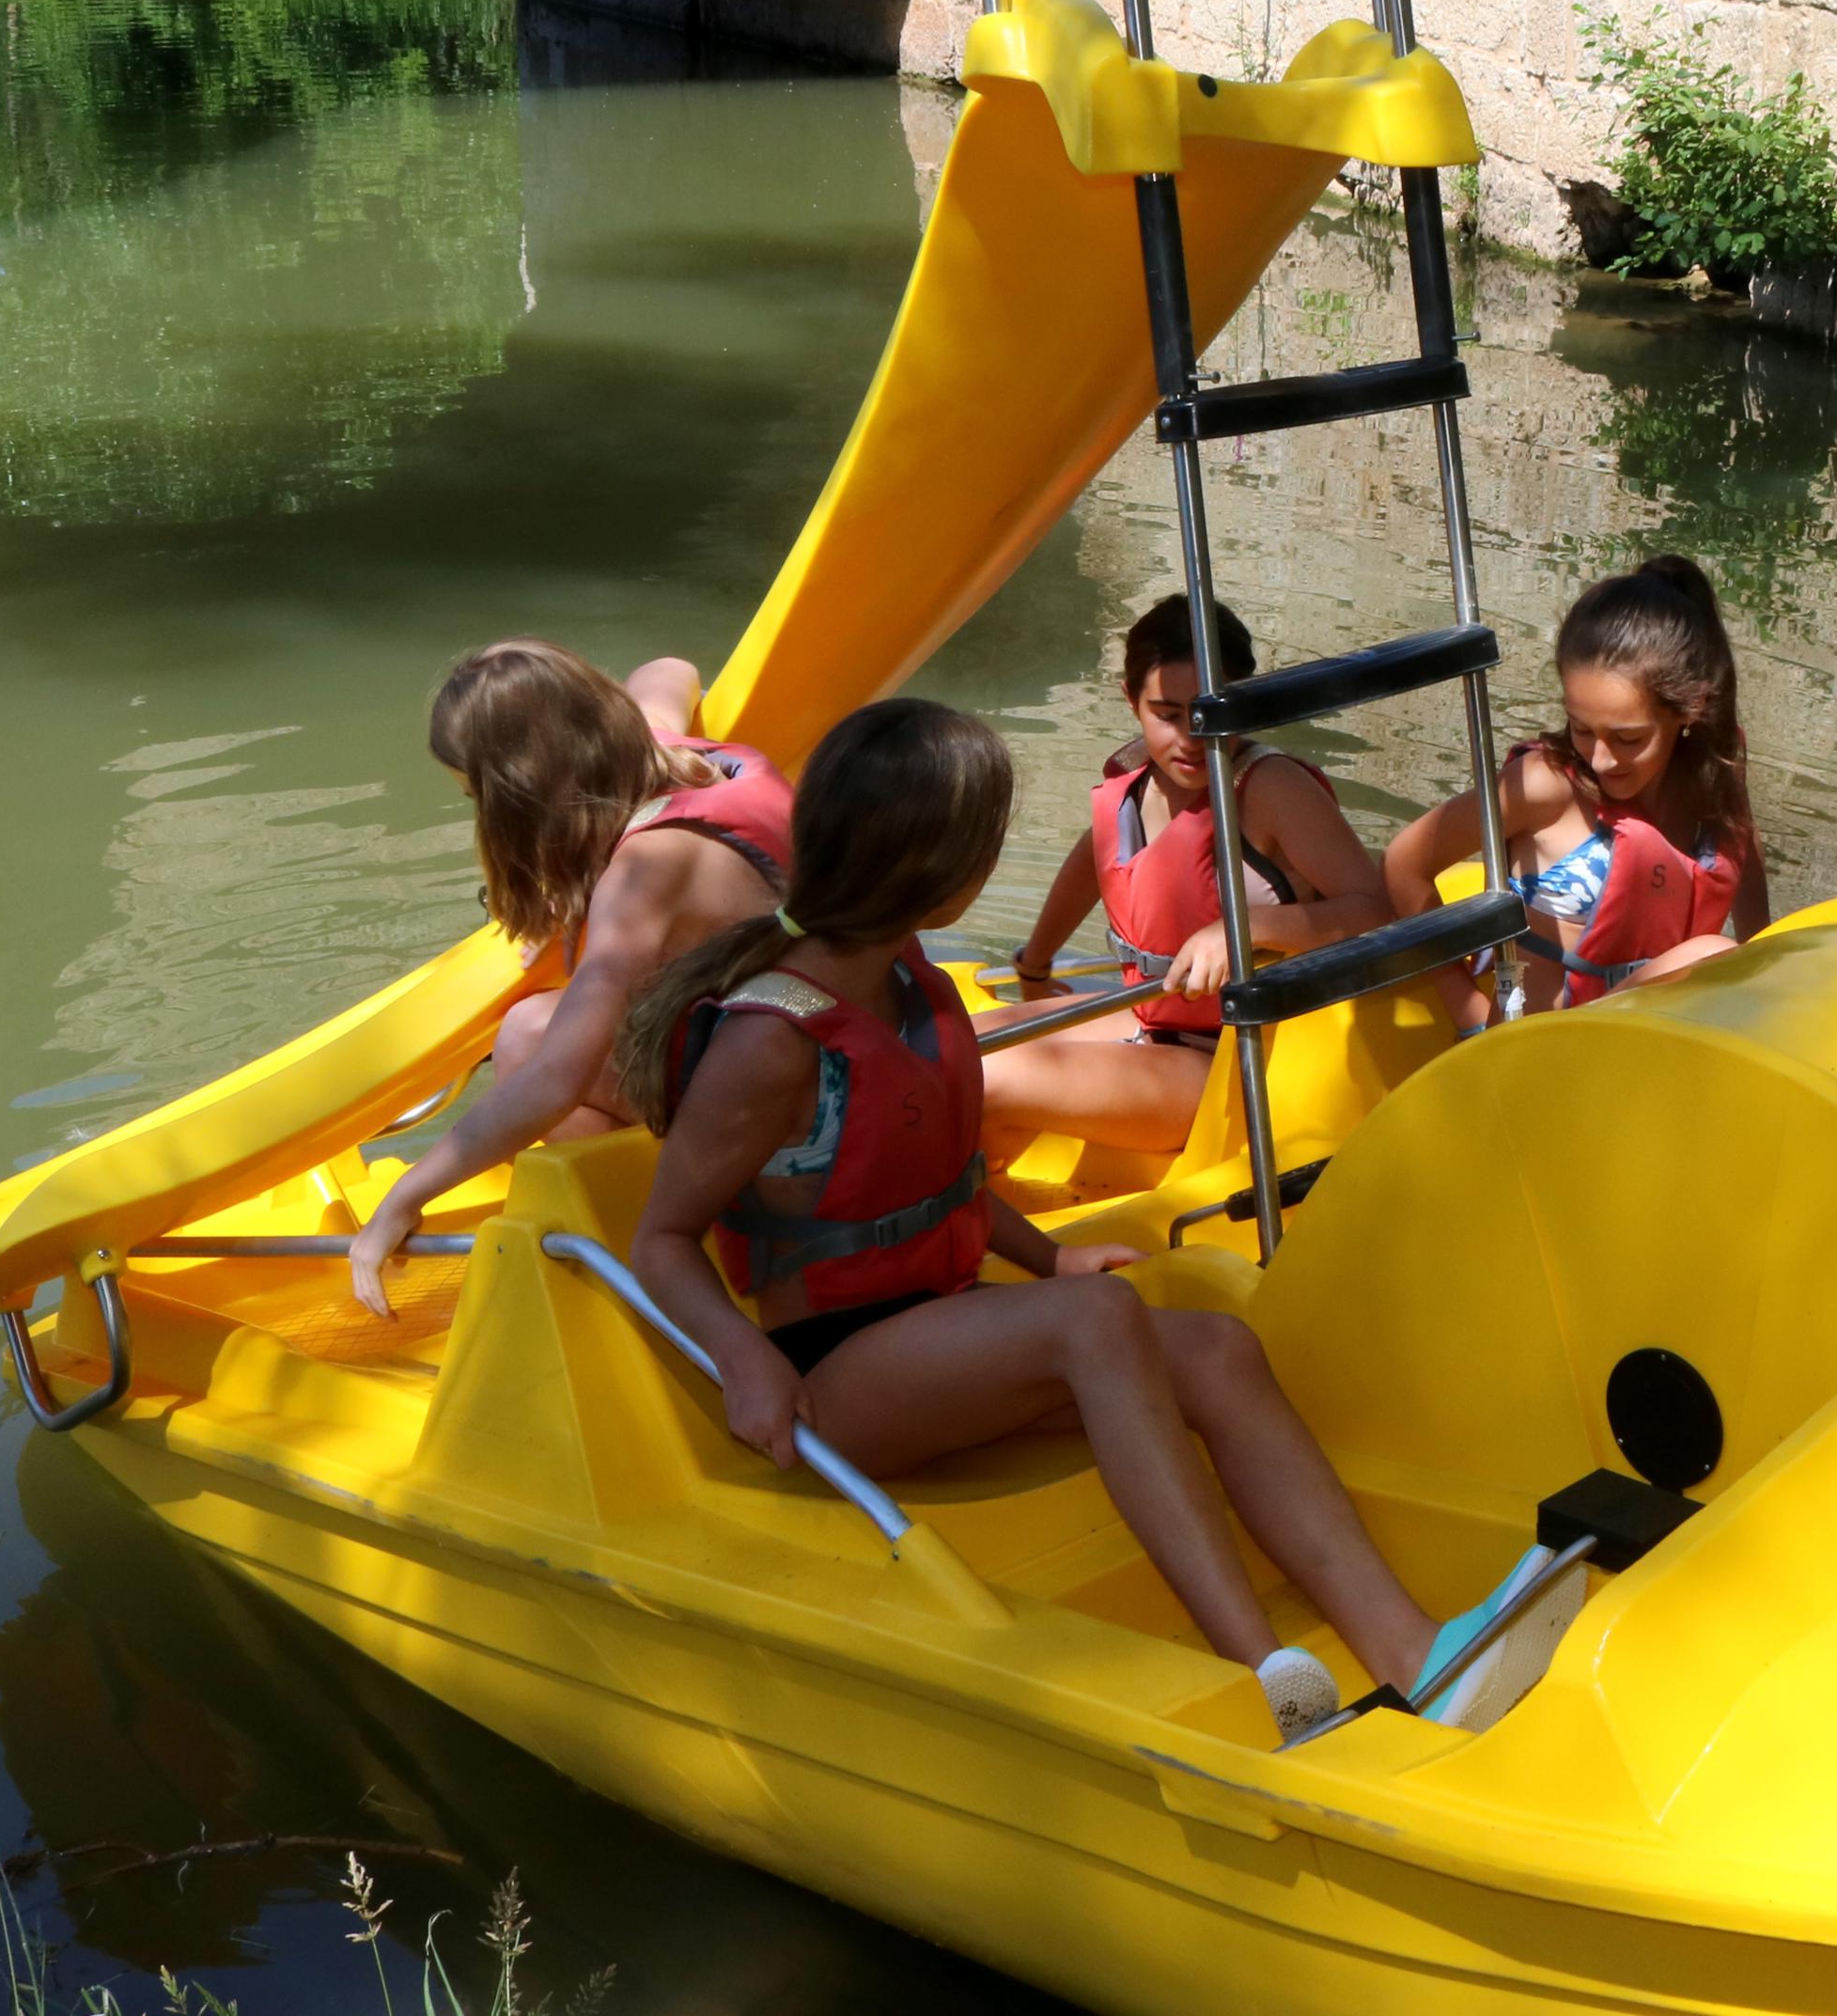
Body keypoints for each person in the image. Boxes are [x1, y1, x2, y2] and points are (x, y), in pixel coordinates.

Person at [613, 697, 1577, 1741]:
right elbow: (661, 1238)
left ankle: (1418, 1656)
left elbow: (921, 1183)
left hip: (936, 1326)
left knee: (1212, 1346)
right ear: (953, 869)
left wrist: (1049, 1254)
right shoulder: (773, 1039)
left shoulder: (902, 981)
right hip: (829, 1376)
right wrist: (739, 1359)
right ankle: (1269, 1680)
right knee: (1097, 1325)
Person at [348, 640, 791, 1315]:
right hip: (821, 1046)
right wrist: (572, 891)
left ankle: (670, 1255)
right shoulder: (664, 750)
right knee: (543, 1024)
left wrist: (400, 1202)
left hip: (795, 1120)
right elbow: (669, 669)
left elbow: (555, 1079)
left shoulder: (645, 876)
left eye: (474, 795)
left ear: (517, 795)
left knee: (528, 1036)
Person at [987, 597, 1391, 1154]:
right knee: (953, 1045)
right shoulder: (1136, 781)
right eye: (1168, 715)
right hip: (1150, 1025)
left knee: (980, 1078)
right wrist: (1035, 964)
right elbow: (1096, 858)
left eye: (1209, 714)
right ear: (1132, 701)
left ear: (1244, 701)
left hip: (1232, 1062)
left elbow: (1375, 912)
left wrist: (1244, 928)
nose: (1191, 739)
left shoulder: (1269, 788)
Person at [1383, 555, 1769, 1019]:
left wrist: (1763, 974)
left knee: (1724, 958)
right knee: (1707, 953)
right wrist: (1465, 1009)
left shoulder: (1716, 764)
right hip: (1540, 1043)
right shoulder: (1545, 786)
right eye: (1581, 727)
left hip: (1652, 1033)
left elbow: (1743, 860)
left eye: (1628, 738)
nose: (1600, 758)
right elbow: (1403, 864)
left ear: (1691, 708)